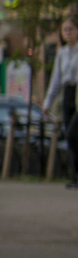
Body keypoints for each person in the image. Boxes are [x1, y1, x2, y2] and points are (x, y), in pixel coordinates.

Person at [48, 12, 78, 188]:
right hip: (68, 94)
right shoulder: (62, 53)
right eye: (65, 30)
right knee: (71, 136)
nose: (67, 32)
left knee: (73, 133)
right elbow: (56, 80)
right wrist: (48, 102)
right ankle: (75, 175)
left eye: (71, 29)